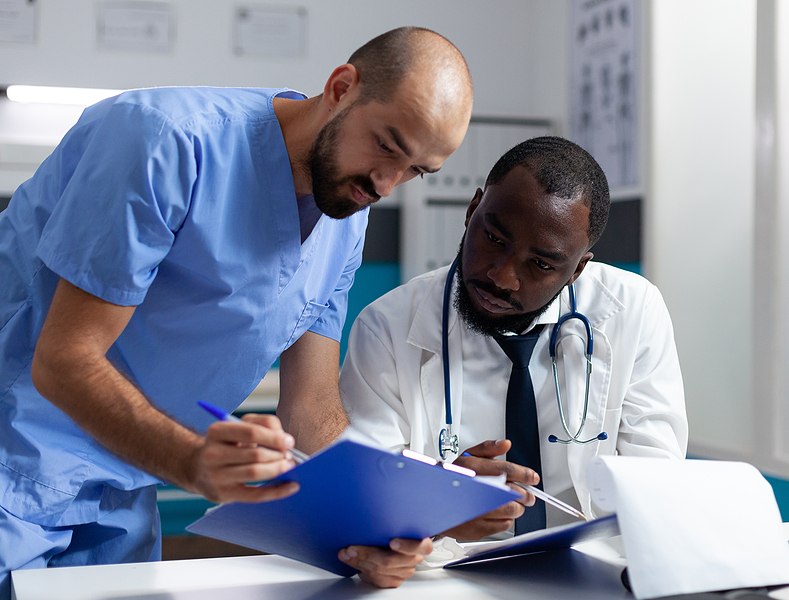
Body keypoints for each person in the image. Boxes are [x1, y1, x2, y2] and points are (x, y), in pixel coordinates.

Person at [0, 27, 472, 595]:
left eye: (417, 171)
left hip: (126, 483)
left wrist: (376, 528)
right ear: (341, 87)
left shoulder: (347, 211)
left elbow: (311, 410)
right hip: (14, 459)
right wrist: (195, 462)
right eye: (388, 146)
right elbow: (63, 359)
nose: (386, 183)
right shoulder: (165, 140)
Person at [340, 136, 688, 542]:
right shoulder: (385, 327)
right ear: (472, 211)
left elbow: (654, 481)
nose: (501, 277)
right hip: (447, 571)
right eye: (494, 239)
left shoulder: (633, 309)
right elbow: (368, 494)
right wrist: (436, 506)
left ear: (576, 270)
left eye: (541, 264)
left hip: (585, 569)